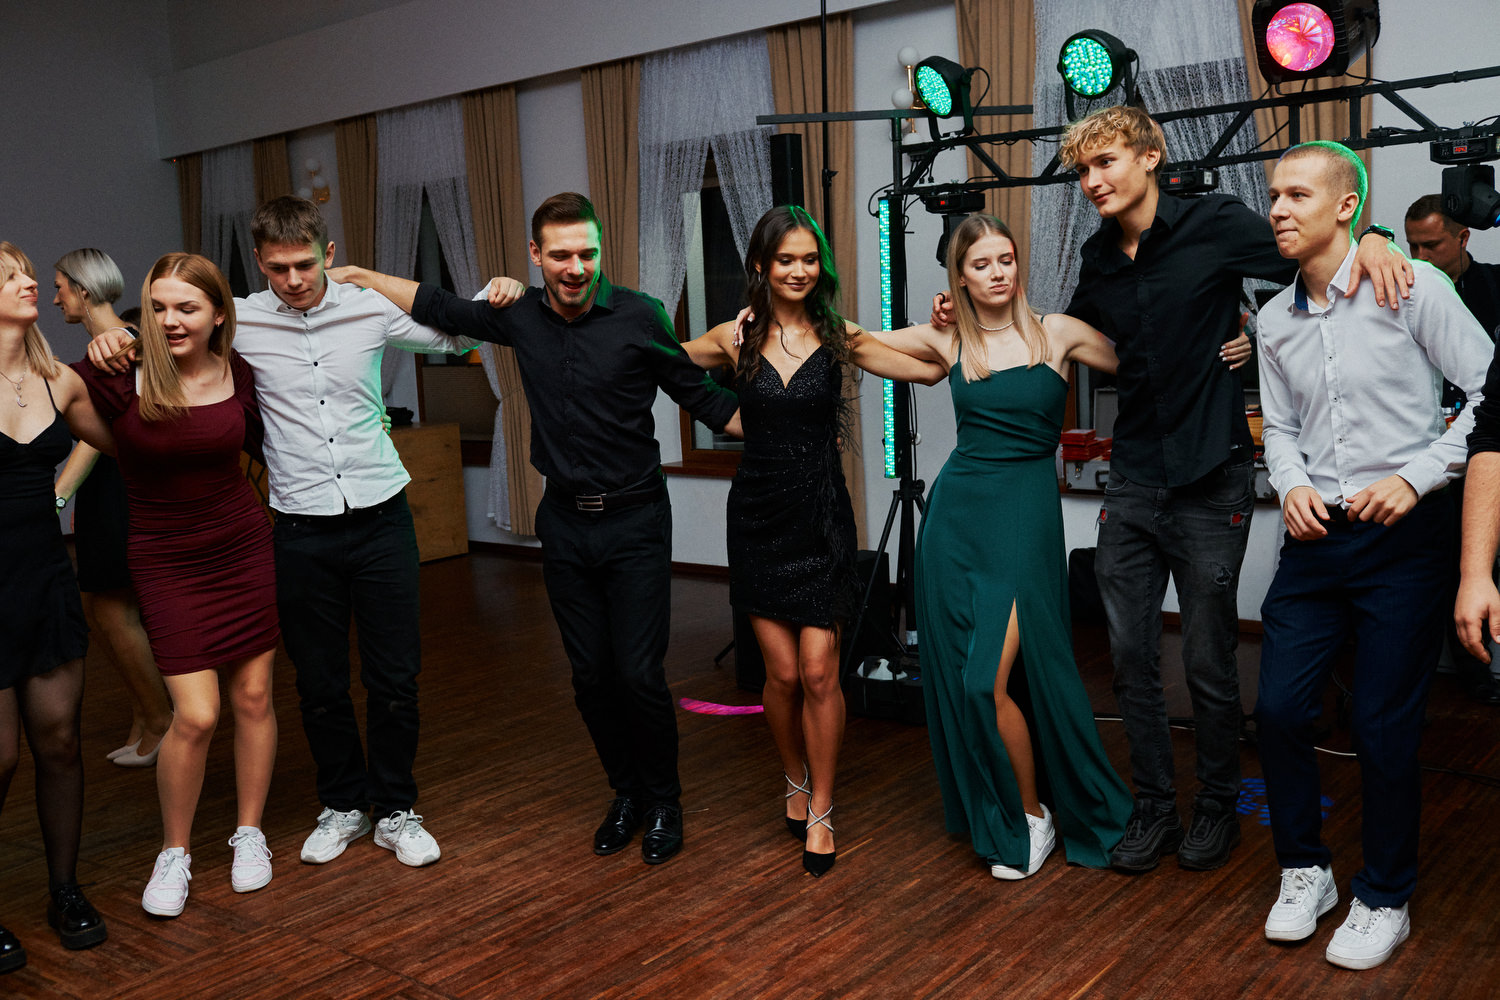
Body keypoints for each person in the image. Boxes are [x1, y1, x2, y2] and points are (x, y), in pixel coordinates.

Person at [324, 192, 740, 866]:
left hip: (636, 519)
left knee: (638, 674)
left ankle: (665, 802)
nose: (577, 268)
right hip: (565, 523)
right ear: (535, 255)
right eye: (563, 255)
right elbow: (438, 306)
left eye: (588, 254)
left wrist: (788, 419)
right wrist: (362, 276)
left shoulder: (640, 314)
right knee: (589, 677)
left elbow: (705, 399)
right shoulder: (517, 314)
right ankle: (627, 793)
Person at [1049, 105, 1411, 874]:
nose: (1092, 181)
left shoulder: (1213, 223)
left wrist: (1374, 237)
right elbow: (1070, 335)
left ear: (1150, 155)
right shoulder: (1098, 256)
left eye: (1105, 162)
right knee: (1129, 656)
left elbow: (1310, 260)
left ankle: (1216, 803)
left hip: (1211, 479)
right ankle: (1155, 806)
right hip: (1134, 477)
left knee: (1209, 659)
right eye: (1082, 170)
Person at [90, 196, 479, 871]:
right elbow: (170, 333)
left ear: (327, 254)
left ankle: (396, 808)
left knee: (394, 677)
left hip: (382, 515)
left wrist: (473, 292)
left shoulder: (368, 306)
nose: (293, 280)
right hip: (298, 527)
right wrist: (114, 337)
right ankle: (343, 805)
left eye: (304, 264)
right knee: (320, 682)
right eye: (277, 268)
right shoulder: (239, 321)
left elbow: (462, 337)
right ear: (259, 263)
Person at [888, 214, 1215, 880]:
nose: (998, 272)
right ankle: (1031, 813)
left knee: (985, 680)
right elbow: (855, 345)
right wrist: (777, 314)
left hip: (1025, 514)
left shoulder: (1057, 332)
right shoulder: (949, 339)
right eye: (981, 264)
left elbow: (1148, 359)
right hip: (958, 517)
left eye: (1005, 259)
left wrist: (1227, 336)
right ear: (959, 277)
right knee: (970, 677)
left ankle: (1039, 811)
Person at [1254, 142, 1491, 970]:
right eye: (1274, 195)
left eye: (1296, 194)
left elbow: (1491, 396)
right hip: (1314, 542)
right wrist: (1289, 484)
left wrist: (1419, 475)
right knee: (1279, 711)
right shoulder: (1272, 320)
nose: (1278, 209)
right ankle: (1304, 870)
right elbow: (1279, 427)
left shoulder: (1413, 287)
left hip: (1405, 543)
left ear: (1347, 206)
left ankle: (1385, 895)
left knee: (1385, 726)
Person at [682, 205, 944, 876]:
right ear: (760, 266)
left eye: (808, 259)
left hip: (821, 520)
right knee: (782, 675)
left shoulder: (838, 334)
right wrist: (722, 408)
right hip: (758, 521)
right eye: (785, 259)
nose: (799, 270)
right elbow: (663, 363)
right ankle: (793, 775)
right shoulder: (733, 337)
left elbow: (926, 372)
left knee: (822, 672)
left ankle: (822, 807)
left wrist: (946, 325)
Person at [74, 253, 280, 918]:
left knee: (253, 697)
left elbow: (270, 439)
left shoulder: (237, 371)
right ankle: (175, 851)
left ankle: (249, 833)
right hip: (165, 559)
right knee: (196, 714)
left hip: (243, 548)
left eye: (186, 308)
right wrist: (106, 342)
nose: (169, 321)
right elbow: (54, 397)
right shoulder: (120, 373)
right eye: (158, 307)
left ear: (218, 314)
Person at [1, 242, 116, 969]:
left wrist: (127, 361)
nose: (30, 281)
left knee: (61, 743)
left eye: (27, 272)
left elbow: (130, 441)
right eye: (10, 276)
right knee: (0, 757)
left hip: (44, 579)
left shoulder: (59, 381)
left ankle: (66, 891)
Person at [52, 248, 173, 766]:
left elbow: (104, 435)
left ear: (82, 290)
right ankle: (146, 718)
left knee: (111, 608)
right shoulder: (106, 346)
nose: (55, 298)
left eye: (59, 287)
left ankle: (162, 721)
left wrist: (59, 494)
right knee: (104, 607)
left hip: (124, 489)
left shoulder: (122, 347)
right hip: (110, 489)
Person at [1404, 195, 1500, 704]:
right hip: (1430, 456)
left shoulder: (1495, 288)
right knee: (1437, 571)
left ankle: (1482, 671)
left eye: (1431, 245)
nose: (1420, 256)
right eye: (1412, 245)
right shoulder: (1402, 287)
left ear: (1463, 238)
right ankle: (1460, 676)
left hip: (1487, 446)